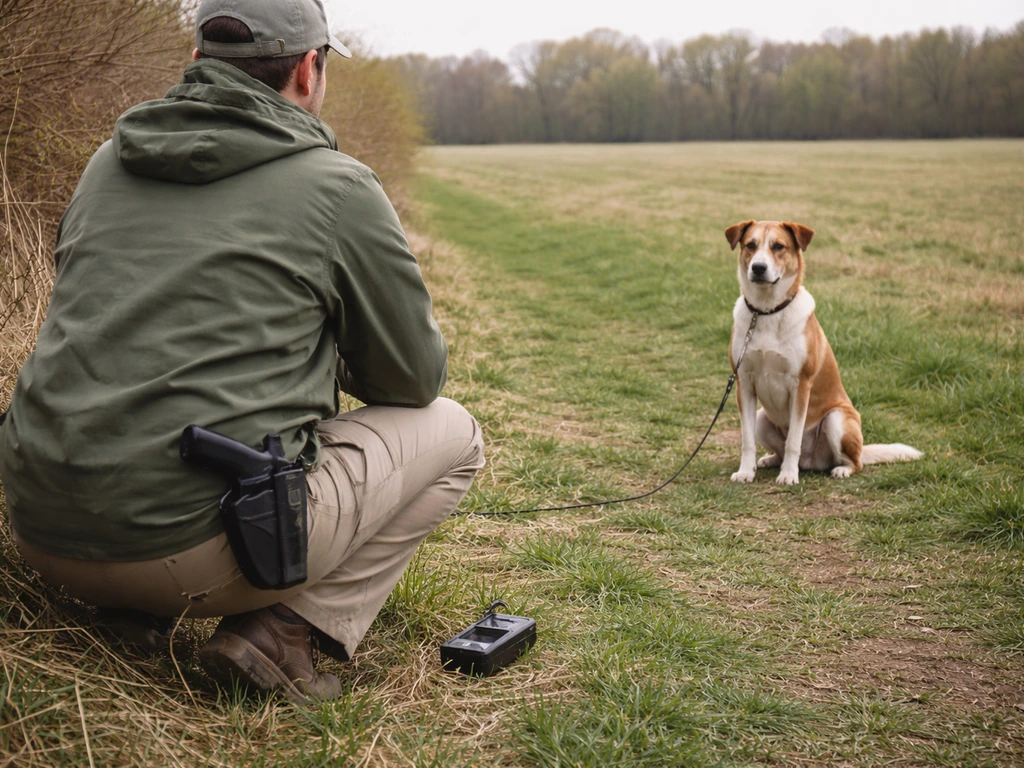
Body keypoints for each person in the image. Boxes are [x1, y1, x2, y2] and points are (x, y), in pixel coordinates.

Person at [0, 0, 484, 702]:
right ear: (309, 69)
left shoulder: (108, 163)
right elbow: (411, 379)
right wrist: (328, 345)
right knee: (455, 432)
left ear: (197, 63)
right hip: (193, 551)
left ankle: (130, 616)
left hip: (42, 531)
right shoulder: (337, 186)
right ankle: (283, 634)